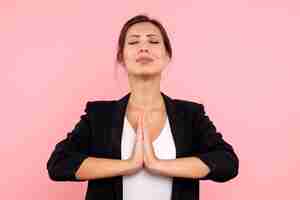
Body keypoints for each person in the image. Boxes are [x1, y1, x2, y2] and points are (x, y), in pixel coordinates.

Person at [46, 14, 239, 200]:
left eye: (154, 41)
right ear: (121, 57)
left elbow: (227, 163)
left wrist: (158, 165)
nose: (144, 48)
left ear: (167, 55)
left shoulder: (190, 115)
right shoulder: (99, 115)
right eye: (133, 42)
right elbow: (59, 164)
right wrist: (128, 165)